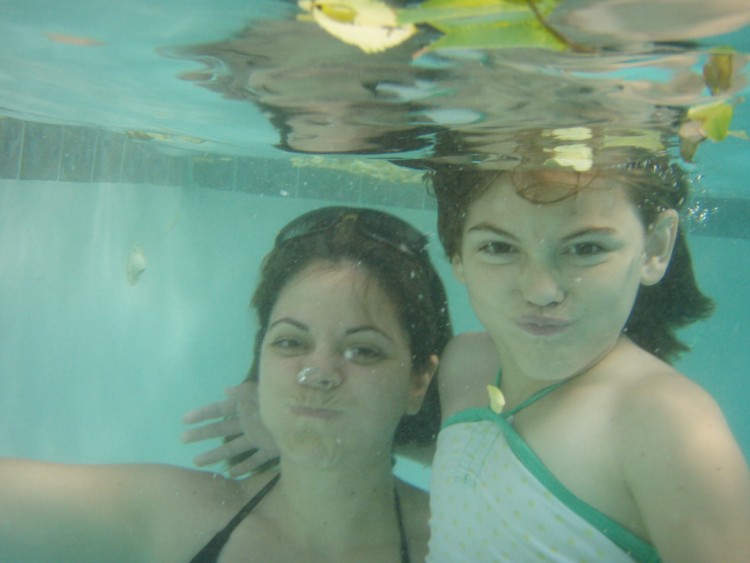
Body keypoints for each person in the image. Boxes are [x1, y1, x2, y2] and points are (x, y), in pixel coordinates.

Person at [184, 154, 750, 562]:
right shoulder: (469, 367)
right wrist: (285, 422)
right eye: (499, 247)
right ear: (457, 254)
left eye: (586, 247)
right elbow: (485, 469)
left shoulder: (665, 424)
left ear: (655, 248)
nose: (542, 289)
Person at [0, 206, 452, 562]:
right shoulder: (175, 516)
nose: (317, 373)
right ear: (258, 368)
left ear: (419, 381)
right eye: (291, 342)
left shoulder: (466, 540)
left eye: (365, 350)